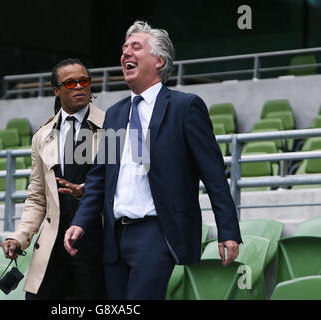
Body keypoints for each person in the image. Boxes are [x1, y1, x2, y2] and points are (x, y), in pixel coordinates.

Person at [64, 21, 242, 300]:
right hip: (115, 236)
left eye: (136, 47)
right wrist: (81, 221)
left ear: (159, 60)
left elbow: (214, 175)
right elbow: (100, 176)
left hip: (156, 232)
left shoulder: (185, 107)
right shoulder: (114, 114)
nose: (126, 54)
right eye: (124, 49)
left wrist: (228, 231)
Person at [2, 58, 106, 300]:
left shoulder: (110, 127)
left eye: (84, 81)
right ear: (56, 91)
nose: (79, 87)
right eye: (70, 84)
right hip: (53, 243)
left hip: (96, 242)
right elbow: (37, 197)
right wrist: (20, 237)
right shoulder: (42, 136)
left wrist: (86, 190)